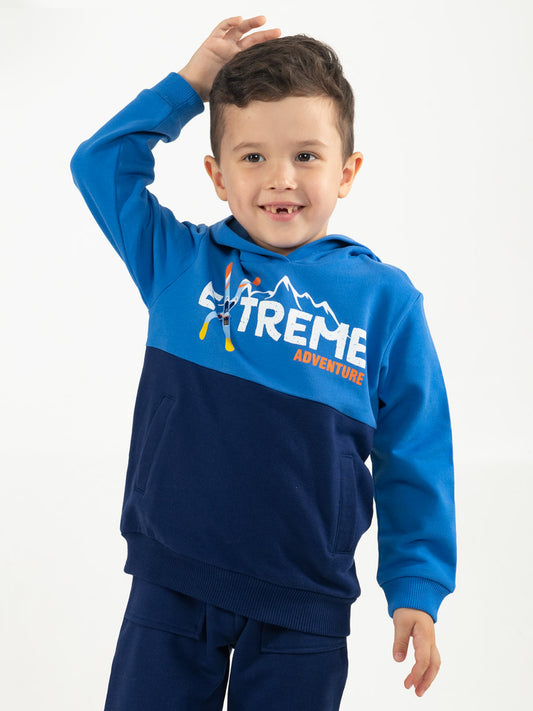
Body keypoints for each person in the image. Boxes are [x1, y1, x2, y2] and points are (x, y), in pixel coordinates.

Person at [71, 15, 456, 710]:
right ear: (217, 176)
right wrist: (190, 86)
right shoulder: (178, 263)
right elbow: (99, 165)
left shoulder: (385, 301)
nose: (281, 178)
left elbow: (414, 452)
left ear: (347, 171)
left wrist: (416, 588)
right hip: (171, 583)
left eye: (306, 155)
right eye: (252, 157)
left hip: (303, 604)